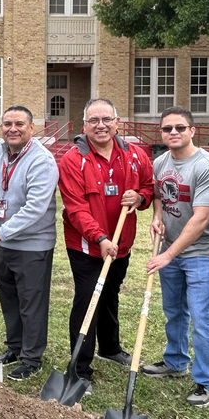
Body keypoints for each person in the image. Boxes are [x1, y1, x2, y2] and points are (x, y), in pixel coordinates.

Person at [57, 98, 154, 393]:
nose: (101, 125)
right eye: (93, 121)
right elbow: (75, 208)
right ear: (84, 125)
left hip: (121, 244)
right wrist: (99, 238)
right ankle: (80, 369)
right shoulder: (73, 159)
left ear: (117, 122)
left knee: (111, 294)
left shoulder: (135, 155)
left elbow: (149, 186)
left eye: (106, 119)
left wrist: (139, 198)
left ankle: (110, 347)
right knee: (89, 299)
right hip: (87, 247)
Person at [141, 106, 209, 407]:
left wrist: (169, 255)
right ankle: (176, 362)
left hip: (200, 253)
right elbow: (159, 195)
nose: (173, 133)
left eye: (179, 128)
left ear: (192, 131)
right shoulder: (161, 161)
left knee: (201, 317)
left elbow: (201, 219)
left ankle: (206, 383)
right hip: (171, 248)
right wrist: (157, 216)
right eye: (167, 129)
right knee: (174, 310)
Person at [0, 105, 58, 381]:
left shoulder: (41, 161)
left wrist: (1, 233)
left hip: (33, 244)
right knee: (9, 298)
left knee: (31, 303)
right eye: (7, 123)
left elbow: (35, 209)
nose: (13, 128)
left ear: (31, 128)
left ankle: (32, 358)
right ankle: (15, 347)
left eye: (19, 124)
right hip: (5, 242)